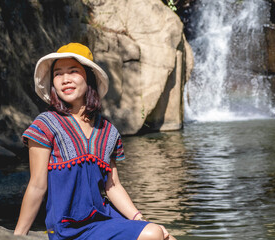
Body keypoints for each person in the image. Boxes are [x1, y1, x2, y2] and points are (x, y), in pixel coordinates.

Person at [14, 43, 176, 240]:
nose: (65, 79)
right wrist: (17, 236)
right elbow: (37, 185)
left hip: (103, 217)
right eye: (58, 73)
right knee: (153, 233)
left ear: (89, 77)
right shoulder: (45, 125)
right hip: (69, 227)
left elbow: (113, 185)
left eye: (73, 71)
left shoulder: (107, 130)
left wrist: (139, 218)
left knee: (166, 236)